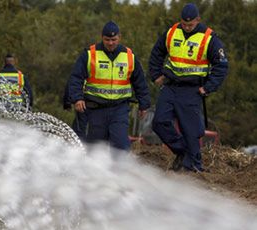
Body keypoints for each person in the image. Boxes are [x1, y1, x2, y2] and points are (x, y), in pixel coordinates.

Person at [149, 3, 228, 172]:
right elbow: (157, 52)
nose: (186, 27)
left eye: (190, 24)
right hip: (170, 86)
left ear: (198, 20)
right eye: (184, 24)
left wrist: (208, 87)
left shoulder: (209, 38)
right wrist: (156, 75)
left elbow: (221, 66)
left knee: (191, 131)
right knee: (159, 122)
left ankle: (194, 166)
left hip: (192, 90)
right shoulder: (172, 32)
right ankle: (183, 152)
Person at [67, 21, 151, 151]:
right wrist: (77, 98)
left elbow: (140, 82)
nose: (110, 43)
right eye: (107, 40)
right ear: (102, 37)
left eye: (114, 39)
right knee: (95, 149)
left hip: (119, 109)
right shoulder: (90, 54)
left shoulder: (129, 56)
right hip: (95, 109)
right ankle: (96, 171)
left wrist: (144, 104)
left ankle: (120, 170)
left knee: (121, 146)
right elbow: (76, 78)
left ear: (119, 37)